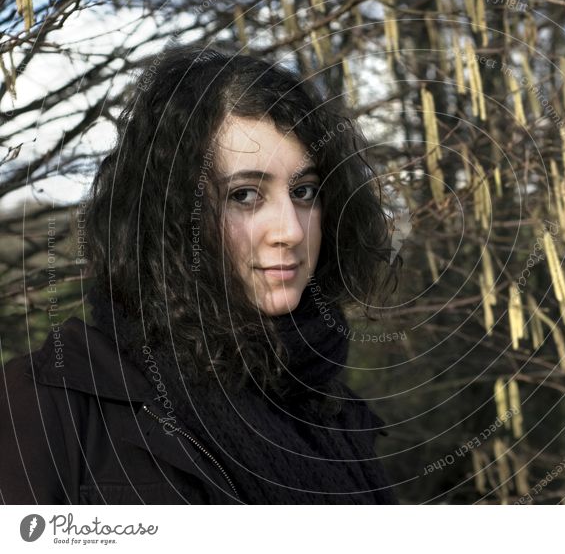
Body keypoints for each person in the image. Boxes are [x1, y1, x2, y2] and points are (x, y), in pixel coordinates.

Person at [0, 45, 401, 505]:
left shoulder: (334, 413)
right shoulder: (47, 406)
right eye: (245, 195)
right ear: (168, 213)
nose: (290, 230)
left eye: (305, 191)